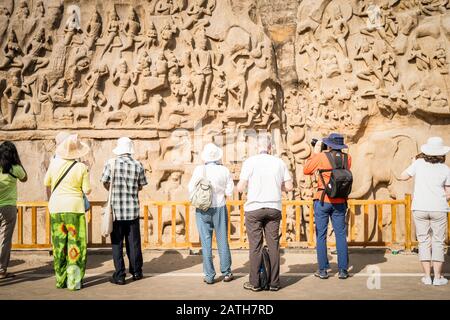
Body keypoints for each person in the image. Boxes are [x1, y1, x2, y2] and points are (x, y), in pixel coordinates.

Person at [237, 134, 293, 291]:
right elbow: (289, 187)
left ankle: (255, 283)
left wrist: (250, 186)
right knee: (273, 245)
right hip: (273, 208)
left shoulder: (250, 162)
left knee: (255, 246)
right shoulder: (279, 162)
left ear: (257, 147)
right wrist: (276, 186)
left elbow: (240, 187)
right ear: (271, 147)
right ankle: (274, 283)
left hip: (254, 208)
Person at [400, 136, 450, 286]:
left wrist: (412, 163)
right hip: (439, 208)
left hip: (420, 207)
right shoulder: (446, 169)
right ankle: (438, 277)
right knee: (438, 242)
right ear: (441, 153)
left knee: (423, 241)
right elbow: (449, 193)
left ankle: (427, 276)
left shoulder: (419, 164)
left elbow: (402, 177)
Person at [44, 134, 91, 290]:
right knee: (75, 246)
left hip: (56, 208)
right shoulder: (81, 167)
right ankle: (74, 282)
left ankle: (60, 280)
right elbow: (87, 190)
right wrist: (86, 171)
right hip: (75, 209)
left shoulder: (54, 163)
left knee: (59, 245)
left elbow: (47, 183)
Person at [303, 133, 352, 280]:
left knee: (321, 235)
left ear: (329, 145)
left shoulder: (321, 157)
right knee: (341, 235)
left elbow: (306, 170)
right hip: (340, 201)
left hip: (323, 200)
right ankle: (343, 270)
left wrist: (317, 151)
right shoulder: (347, 158)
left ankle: (323, 270)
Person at [101, 137, 148, 285]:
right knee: (133, 243)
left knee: (117, 243)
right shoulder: (138, 165)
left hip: (116, 211)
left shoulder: (111, 163)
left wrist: (114, 189)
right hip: (132, 210)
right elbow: (141, 185)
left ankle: (120, 275)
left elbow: (105, 181)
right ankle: (136, 272)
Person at [188, 143, 234, 284]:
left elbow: (190, 188)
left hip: (202, 208)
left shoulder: (199, 170)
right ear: (218, 156)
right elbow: (229, 192)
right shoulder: (224, 170)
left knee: (206, 243)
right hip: (219, 207)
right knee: (222, 241)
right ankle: (226, 272)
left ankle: (209, 275)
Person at [0, 141, 27, 279]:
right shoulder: (14, 168)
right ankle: (1, 269)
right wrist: (17, 161)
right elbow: (24, 178)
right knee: (5, 239)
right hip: (8, 207)